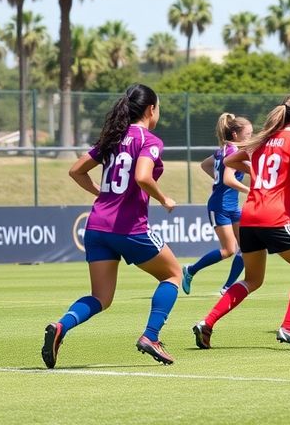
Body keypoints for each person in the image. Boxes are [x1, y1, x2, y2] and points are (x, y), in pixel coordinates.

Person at [191, 94, 290, 350]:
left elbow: (230, 160)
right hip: (274, 217)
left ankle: (207, 323)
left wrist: (257, 172)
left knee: (252, 279)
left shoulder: (263, 140)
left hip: (250, 215)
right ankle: (288, 327)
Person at [42, 84, 181, 368]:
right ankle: (151, 336)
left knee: (101, 297)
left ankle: (61, 326)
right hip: (129, 227)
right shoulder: (149, 140)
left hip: (96, 227)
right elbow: (143, 176)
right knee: (173, 275)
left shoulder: (112, 138)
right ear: (150, 109)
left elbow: (75, 171)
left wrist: (103, 194)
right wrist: (164, 197)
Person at [181, 113, 253, 295]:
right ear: (235, 135)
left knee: (246, 246)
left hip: (231, 206)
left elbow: (205, 165)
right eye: (248, 134)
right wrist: (248, 190)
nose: (250, 138)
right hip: (219, 206)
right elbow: (228, 180)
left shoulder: (223, 151)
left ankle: (228, 286)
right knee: (229, 250)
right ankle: (190, 270)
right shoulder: (231, 152)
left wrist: (217, 178)